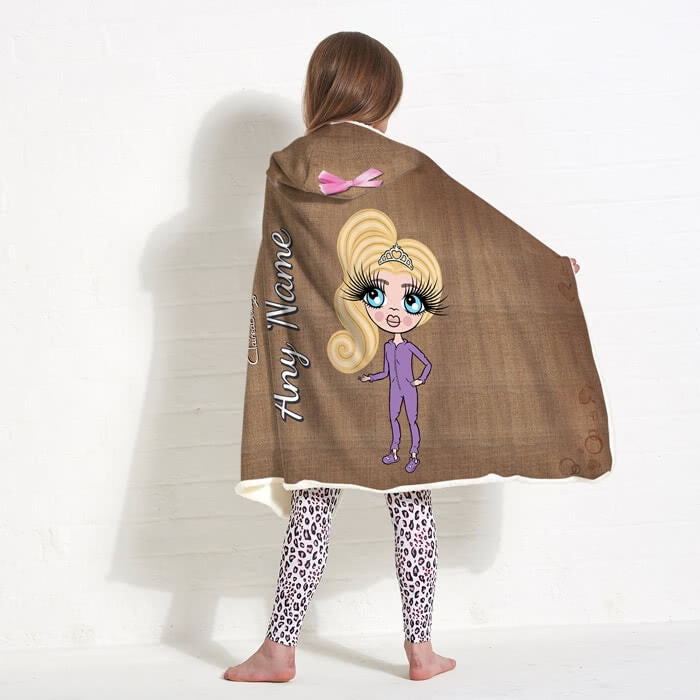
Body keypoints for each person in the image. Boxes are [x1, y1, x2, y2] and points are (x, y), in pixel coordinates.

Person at [224, 31, 580, 685]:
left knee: (311, 512)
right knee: (412, 509)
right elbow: (474, 233)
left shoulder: (285, 167)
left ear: (318, 91)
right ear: (383, 99)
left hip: (320, 382)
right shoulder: (408, 167)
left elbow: (280, 283)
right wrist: (544, 268)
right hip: (389, 386)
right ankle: (421, 652)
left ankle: (278, 650)